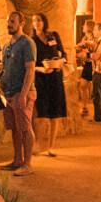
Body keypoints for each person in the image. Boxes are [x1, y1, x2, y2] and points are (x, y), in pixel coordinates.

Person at [0, 12, 35, 174]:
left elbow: (30, 69)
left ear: (22, 22)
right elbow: (5, 68)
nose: (9, 24)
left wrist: (23, 94)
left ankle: (27, 164)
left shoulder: (27, 43)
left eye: (12, 21)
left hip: (22, 93)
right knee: (15, 128)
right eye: (8, 21)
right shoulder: (7, 45)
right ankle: (17, 159)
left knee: (26, 128)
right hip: (8, 93)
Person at [31, 18, 68, 157]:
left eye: (39, 20)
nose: (37, 22)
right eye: (35, 21)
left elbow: (63, 54)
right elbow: (30, 63)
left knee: (55, 113)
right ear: (32, 24)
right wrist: (41, 69)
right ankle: (37, 143)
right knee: (40, 114)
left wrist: (61, 61)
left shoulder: (54, 36)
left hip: (55, 77)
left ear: (44, 22)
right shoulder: (32, 41)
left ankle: (51, 146)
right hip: (41, 78)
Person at [75, 19, 96, 121]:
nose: (83, 26)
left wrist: (84, 51)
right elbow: (79, 47)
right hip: (87, 64)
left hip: (94, 64)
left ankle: (98, 111)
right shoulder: (84, 38)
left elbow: (91, 49)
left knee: (95, 88)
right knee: (83, 85)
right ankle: (85, 107)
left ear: (89, 27)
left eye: (84, 25)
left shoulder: (94, 38)